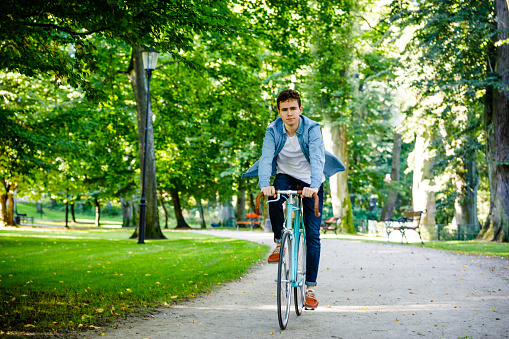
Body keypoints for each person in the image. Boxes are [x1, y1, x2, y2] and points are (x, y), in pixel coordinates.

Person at [242, 89, 345, 309]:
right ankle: (280, 241)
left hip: (311, 180)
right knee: (274, 195)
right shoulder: (273, 130)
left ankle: (310, 288)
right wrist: (264, 185)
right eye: (284, 110)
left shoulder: (312, 129)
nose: (289, 114)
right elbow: (266, 157)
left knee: (312, 234)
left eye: (293, 109)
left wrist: (314, 186)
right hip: (285, 176)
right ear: (279, 111)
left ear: (300, 109)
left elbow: (317, 159)